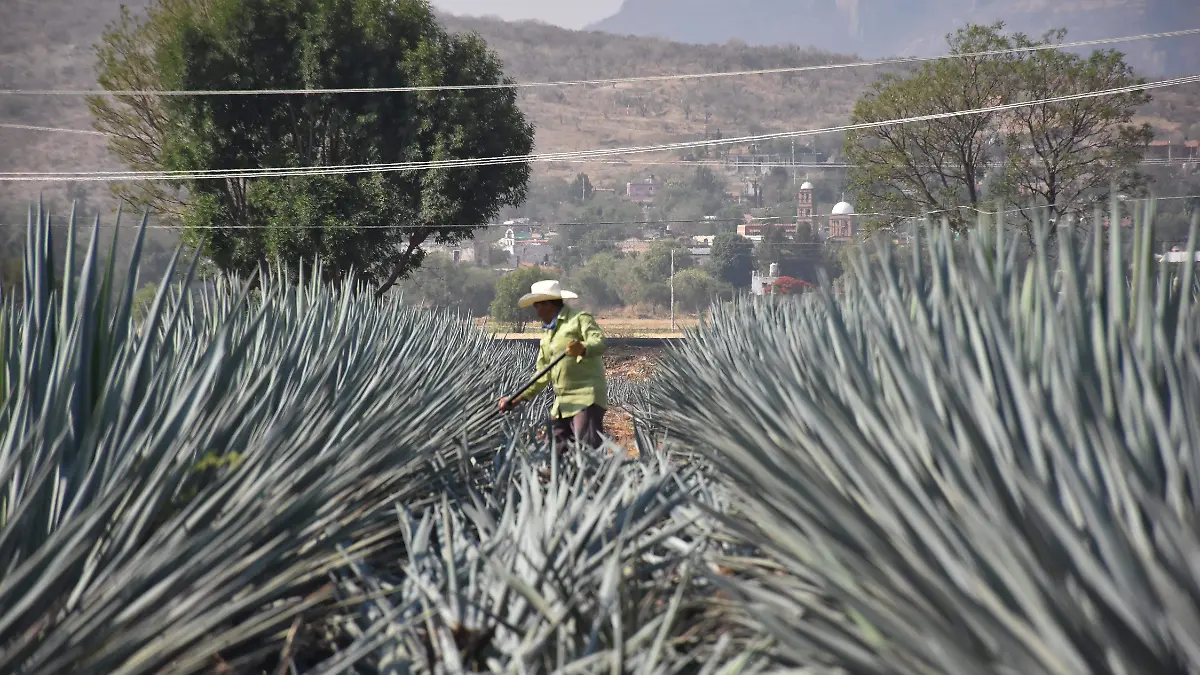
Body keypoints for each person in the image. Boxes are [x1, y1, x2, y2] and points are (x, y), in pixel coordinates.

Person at [498, 279, 608, 449]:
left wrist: (583, 348)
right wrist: (515, 399)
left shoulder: (579, 319)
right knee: (552, 449)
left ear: (549, 304)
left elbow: (599, 342)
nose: (536, 310)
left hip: (586, 397)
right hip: (562, 403)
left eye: (538, 305)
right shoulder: (547, 335)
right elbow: (541, 375)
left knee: (585, 450)